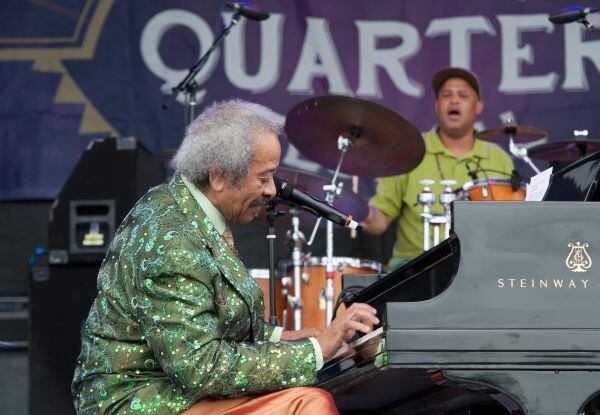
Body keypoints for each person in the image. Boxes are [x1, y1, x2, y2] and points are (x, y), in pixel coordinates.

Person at [71, 99, 379, 415]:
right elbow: (201, 367)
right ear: (218, 176)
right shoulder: (171, 240)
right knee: (307, 404)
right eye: (263, 177)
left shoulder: (190, 208)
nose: (273, 190)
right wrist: (317, 350)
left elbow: (226, 325)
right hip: (139, 401)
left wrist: (313, 337)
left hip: (178, 390)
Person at [362, 67, 515, 268]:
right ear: (437, 105)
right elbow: (380, 220)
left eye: (463, 95)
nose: (454, 100)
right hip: (413, 268)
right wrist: (357, 212)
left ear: (478, 106)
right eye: (446, 95)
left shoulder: (498, 158)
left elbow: (512, 226)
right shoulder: (408, 151)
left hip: (479, 268)